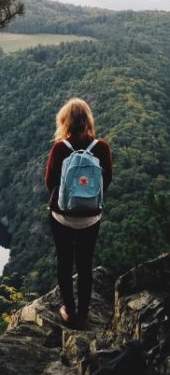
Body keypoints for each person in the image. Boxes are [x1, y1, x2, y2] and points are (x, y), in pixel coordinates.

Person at [45, 98, 112, 330]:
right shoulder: (101, 147)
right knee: (85, 264)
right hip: (91, 217)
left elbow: (50, 183)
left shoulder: (60, 148)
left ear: (65, 121)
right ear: (88, 121)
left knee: (64, 262)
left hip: (62, 216)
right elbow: (107, 181)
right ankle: (83, 316)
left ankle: (69, 311)